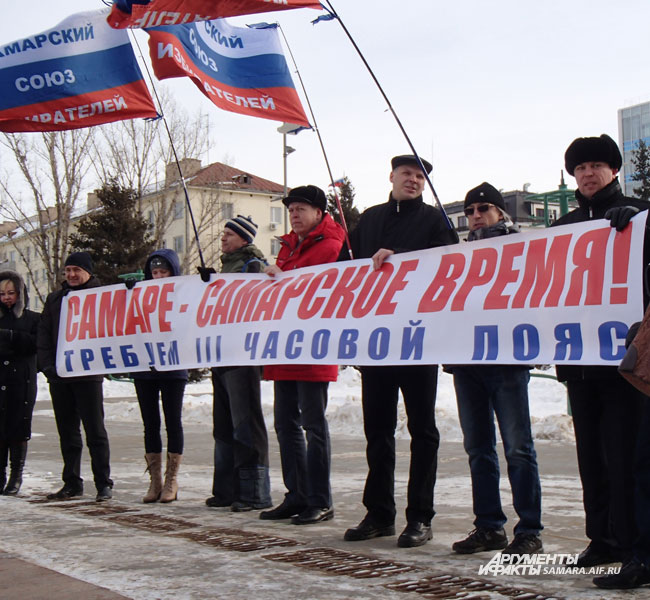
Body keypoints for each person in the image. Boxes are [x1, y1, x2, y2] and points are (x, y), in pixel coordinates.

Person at [341, 154, 458, 548]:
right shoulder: (369, 220)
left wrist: (402, 262)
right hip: (376, 345)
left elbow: (450, 267)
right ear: (391, 176)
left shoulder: (435, 220)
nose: (414, 180)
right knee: (377, 430)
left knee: (423, 431)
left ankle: (420, 518)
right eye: (407, 173)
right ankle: (379, 513)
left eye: (421, 176)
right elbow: (342, 271)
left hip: (417, 341)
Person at [552, 134, 650, 575]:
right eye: (580, 167)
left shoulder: (640, 215)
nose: (588, 173)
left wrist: (641, 225)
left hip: (624, 363)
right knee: (590, 456)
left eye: (596, 165)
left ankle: (635, 544)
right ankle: (602, 539)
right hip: (579, 361)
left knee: (626, 455)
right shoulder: (562, 227)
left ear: (614, 171)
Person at [448, 183, 543, 556]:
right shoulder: (457, 256)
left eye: (483, 208)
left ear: (501, 213)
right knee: (478, 448)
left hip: (506, 362)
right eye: (470, 210)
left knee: (519, 448)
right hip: (466, 362)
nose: (475, 216)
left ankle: (529, 529)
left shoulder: (521, 249)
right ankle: (489, 526)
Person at [260, 185, 345, 525]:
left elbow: (327, 290)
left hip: (313, 347)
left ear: (320, 212)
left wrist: (285, 279)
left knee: (312, 425)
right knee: (285, 424)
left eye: (301, 209)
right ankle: (296, 494)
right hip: (284, 348)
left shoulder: (332, 246)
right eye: (291, 209)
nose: (294, 215)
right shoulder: (288, 247)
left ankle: (320, 499)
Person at [205, 215, 272, 512]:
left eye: (229, 234)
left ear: (244, 239)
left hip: (243, 355)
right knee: (223, 425)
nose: (223, 238)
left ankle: (254, 492)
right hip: (221, 353)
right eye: (223, 233)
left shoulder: (252, 266)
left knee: (246, 423)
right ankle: (226, 490)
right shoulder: (226, 266)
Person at [37, 252, 113, 502]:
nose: (71, 275)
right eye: (67, 270)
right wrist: (48, 366)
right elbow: (44, 334)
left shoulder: (103, 297)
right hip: (60, 376)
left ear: (88, 272)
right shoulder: (55, 299)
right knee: (68, 433)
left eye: (76, 270)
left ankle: (103, 483)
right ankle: (71, 482)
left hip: (88, 375)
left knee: (95, 432)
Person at [133, 249, 188, 503]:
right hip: (146, 366)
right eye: (154, 272)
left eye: (163, 272)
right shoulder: (141, 295)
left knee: (172, 421)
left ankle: (171, 480)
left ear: (172, 272)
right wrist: (128, 294)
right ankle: (154, 481)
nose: (157, 277)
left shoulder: (183, 294)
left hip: (173, 366)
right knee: (150, 424)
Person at [0, 271, 40, 496]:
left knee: (18, 428)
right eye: (2, 294)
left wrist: (10, 337)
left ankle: (16, 475)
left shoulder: (32, 319)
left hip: (21, 382)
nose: (7, 298)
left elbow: (33, 345)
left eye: (11, 293)